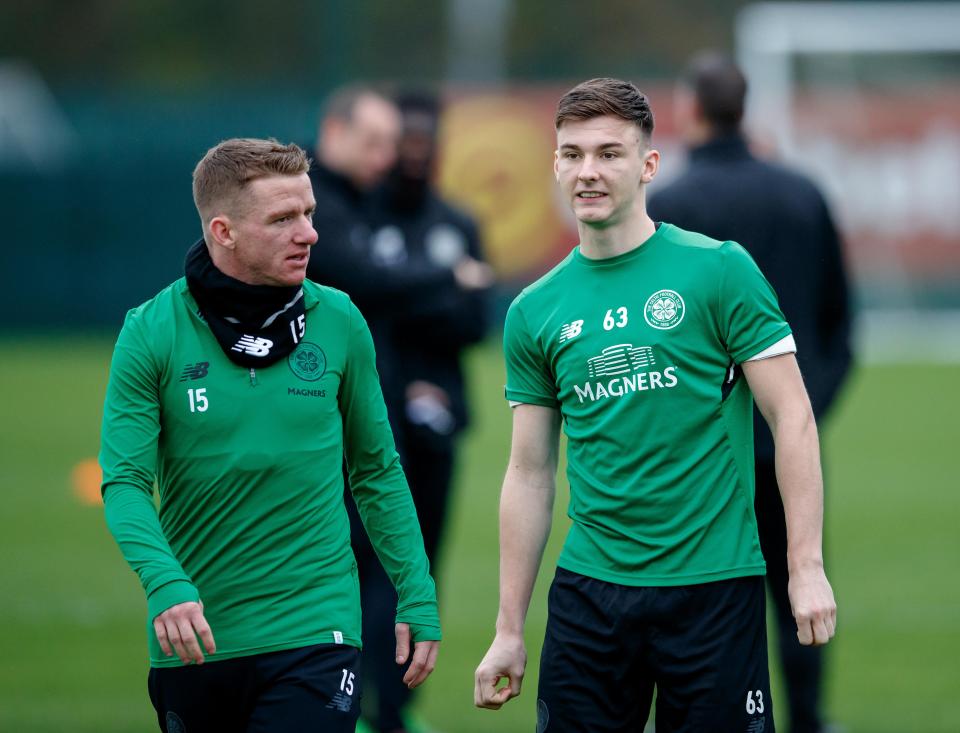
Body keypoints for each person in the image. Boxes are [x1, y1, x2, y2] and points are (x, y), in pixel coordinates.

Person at [473, 78, 837, 732]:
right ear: (554, 164)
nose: (589, 170)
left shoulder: (719, 271)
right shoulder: (534, 310)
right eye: (573, 153)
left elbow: (793, 417)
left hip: (713, 589)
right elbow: (529, 471)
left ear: (648, 165)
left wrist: (805, 565)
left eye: (610, 153)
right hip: (589, 598)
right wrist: (508, 626)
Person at [99, 138, 440, 733]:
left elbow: (377, 470)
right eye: (283, 219)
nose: (308, 233)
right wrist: (165, 583)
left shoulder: (339, 320)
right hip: (197, 635)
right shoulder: (151, 331)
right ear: (223, 231)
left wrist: (418, 593)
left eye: (309, 213)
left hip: (317, 629)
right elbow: (125, 482)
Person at [648, 53, 852, 733]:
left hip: (701, 455)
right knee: (803, 577)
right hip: (791, 440)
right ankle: (812, 720)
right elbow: (839, 323)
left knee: (701, 600)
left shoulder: (668, 204)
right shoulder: (803, 191)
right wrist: (804, 410)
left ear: (691, 110)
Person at [355, 90, 492, 733]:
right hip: (369, 418)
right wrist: (432, 290)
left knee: (421, 568)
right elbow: (360, 305)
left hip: (439, 420)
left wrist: (408, 302)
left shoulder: (456, 222)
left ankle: (399, 712)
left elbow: (472, 320)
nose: (413, 155)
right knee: (362, 565)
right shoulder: (359, 221)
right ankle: (352, 702)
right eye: (400, 144)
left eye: (422, 144)